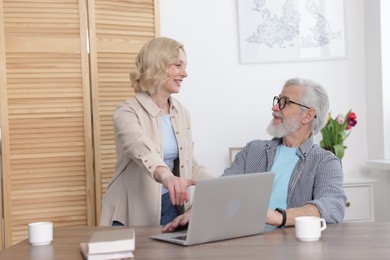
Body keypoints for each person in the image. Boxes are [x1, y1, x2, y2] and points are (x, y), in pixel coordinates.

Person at [162, 77, 346, 232]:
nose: (275, 108)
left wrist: (277, 217)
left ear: (308, 115)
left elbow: (332, 206)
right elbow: (223, 188)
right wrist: (192, 213)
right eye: (277, 100)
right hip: (245, 242)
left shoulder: (325, 161)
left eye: (285, 102)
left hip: (292, 246)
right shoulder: (254, 150)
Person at [99, 37, 212, 227]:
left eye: (185, 66)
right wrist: (168, 177)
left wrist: (222, 184)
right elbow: (143, 151)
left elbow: (189, 162)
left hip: (170, 205)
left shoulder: (181, 112)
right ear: (157, 65)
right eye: (178, 65)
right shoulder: (127, 112)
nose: (185, 73)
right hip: (130, 211)